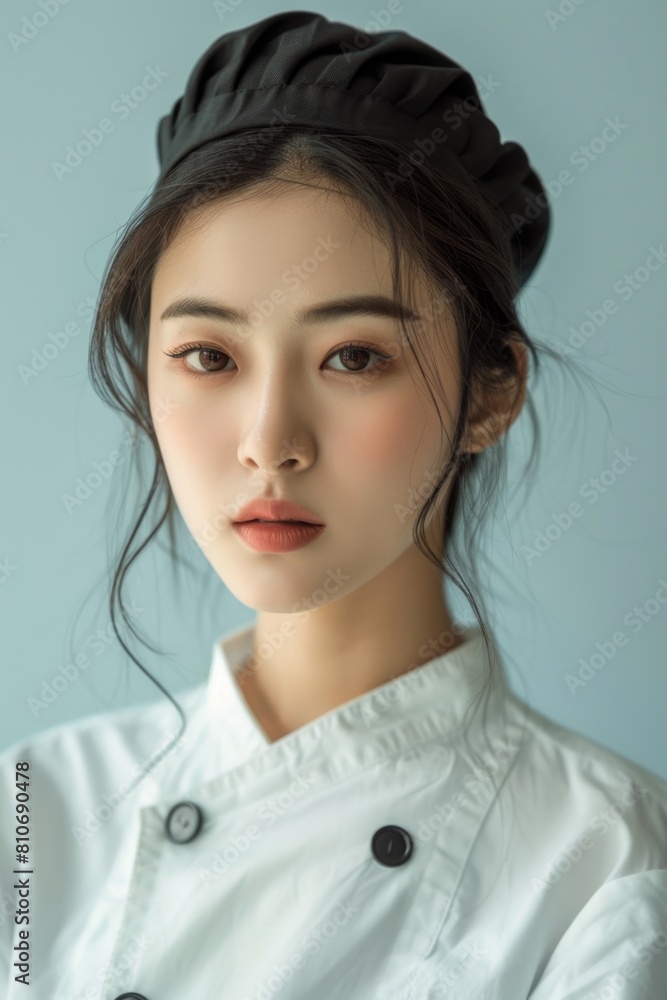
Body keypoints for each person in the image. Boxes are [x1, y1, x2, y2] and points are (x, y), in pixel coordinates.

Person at [1, 10, 666, 999]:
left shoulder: (603, 866)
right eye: (207, 357)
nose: (270, 438)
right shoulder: (29, 809)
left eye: (353, 356)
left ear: (491, 392)